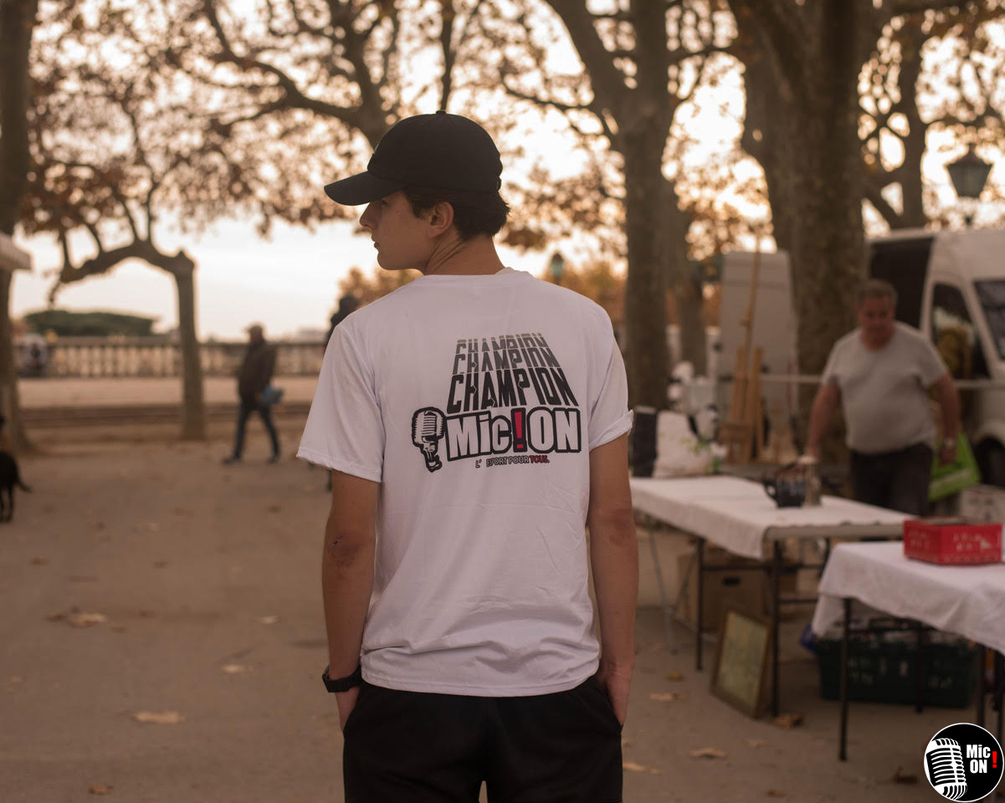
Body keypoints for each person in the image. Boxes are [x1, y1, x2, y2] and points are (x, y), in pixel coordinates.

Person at [297, 111, 637, 802]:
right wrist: (619, 664)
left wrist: (343, 676)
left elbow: (348, 540)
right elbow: (613, 519)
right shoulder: (584, 324)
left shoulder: (365, 337)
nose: (366, 220)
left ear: (437, 216)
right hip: (556, 685)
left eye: (381, 203)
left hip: (412, 685)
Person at [806, 279, 961, 515]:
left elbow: (947, 390)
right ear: (858, 313)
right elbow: (827, 400)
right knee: (867, 522)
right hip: (863, 457)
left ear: (893, 312)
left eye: (883, 315)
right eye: (870, 315)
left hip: (911, 452)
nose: (877, 322)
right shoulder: (843, 349)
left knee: (905, 515)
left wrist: (950, 439)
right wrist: (813, 444)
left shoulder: (916, 345)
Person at [223, 323, 281, 464]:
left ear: (258, 334)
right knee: (241, 425)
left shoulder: (267, 350)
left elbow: (266, 373)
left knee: (267, 424)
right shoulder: (251, 349)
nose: (249, 337)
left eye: (251, 334)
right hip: (246, 394)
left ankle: (276, 452)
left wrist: (260, 391)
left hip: (257, 394)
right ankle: (237, 454)